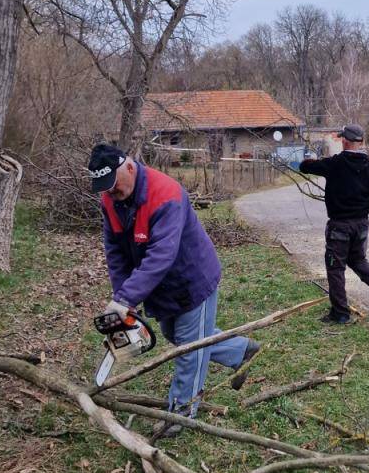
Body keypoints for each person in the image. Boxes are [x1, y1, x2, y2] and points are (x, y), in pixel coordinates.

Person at [88, 143, 259, 438]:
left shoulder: (165, 194)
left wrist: (127, 297)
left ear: (129, 166)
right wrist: (122, 298)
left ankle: (180, 414)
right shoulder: (110, 201)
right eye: (105, 188)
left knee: (189, 350)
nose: (111, 192)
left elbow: (161, 256)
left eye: (114, 184)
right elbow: (115, 251)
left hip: (190, 278)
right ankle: (242, 351)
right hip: (159, 286)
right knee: (177, 335)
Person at [299, 124, 369, 324]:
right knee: (358, 260)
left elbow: (305, 167)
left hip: (339, 226)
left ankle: (340, 313)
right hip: (361, 224)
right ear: (361, 142)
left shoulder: (334, 164)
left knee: (335, 268)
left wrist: (311, 160)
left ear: (344, 141)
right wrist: (361, 205)